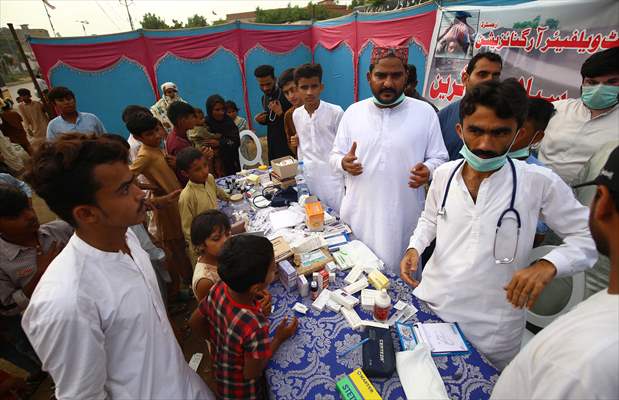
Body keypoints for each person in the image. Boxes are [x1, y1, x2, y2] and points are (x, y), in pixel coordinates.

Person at [400, 79, 597, 369]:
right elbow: (430, 218)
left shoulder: (537, 182)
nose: (485, 145)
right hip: (433, 305)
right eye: (476, 131)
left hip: (491, 329)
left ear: (517, 133)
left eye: (500, 133)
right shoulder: (443, 174)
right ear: (460, 130)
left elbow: (589, 236)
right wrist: (415, 247)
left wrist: (549, 264)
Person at [21, 134, 214, 399]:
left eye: (133, 181)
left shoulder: (127, 236)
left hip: (187, 386)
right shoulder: (66, 301)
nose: (139, 194)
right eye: (124, 189)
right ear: (86, 214)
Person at [492, 146, 619, 399]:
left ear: (601, 201)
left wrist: (550, 263)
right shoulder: (605, 310)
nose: (485, 144)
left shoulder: (582, 362)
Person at [330, 46, 448, 273]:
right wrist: (342, 163)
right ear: (369, 77)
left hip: (402, 216)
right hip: (360, 214)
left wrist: (429, 170)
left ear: (406, 76)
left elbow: (440, 158)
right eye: (381, 76)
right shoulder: (353, 113)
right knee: (359, 277)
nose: (388, 83)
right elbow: (334, 155)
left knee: (401, 281)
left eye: (396, 76)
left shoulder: (425, 113)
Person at [188, 235, 297, 400]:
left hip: (221, 374)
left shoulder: (220, 287)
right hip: (242, 393)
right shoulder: (255, 325)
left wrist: (223, 343)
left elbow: (194, 321)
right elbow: (252, 372)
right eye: (272, 268)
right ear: (256, 287)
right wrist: (278, 338)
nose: (275, 269)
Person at [0, 185, 72, 378]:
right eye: (15, 216)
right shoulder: (3, 262)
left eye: (28, 207)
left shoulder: (61, 230)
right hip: (57, 333)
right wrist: (41, 274)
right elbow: (8, 308)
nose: (30, 216)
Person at [126, 115, 191, 298]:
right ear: (138, 138)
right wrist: (147, 187)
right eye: (150, 134)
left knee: (182, 239)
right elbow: (127, 176)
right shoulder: (145, 155)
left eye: (157, 130)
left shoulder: (157, 149)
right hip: (166, 205)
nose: (156, 135)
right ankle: (187, 280)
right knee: (176, 244)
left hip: (175, 200)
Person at [539, 47, 619, 185]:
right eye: (592, 83)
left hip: (590, 201)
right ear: (583, 83)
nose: (599, 89)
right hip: (536, 192)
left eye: (611, 82)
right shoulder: (557, 108)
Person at [293, 63, 345, 212]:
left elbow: (344, 149)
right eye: (304, 87)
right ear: (297, 89)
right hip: (310, 178)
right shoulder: (296, 115)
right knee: (315, 219)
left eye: (314, 86)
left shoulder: (336, 112)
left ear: (321, 87)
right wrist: (301, 175)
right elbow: (301, 148)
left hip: (334, 180)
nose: (309, 92)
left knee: (340, 219)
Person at [508, 97, 556, 246]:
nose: (508, 135)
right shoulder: (479, 160)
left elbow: (538, 235)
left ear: (537, 137)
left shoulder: (543, 178)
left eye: (520, 131)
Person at [438, 52, 502, 160]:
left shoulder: (507, 118)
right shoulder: (443, 118)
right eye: (482, 74)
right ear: (465, 78)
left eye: (495, 75)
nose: (490, 80)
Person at [177, 147, 230, 264]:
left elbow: (217, 191)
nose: (205, 171)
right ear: (185, 173)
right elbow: (187, 230)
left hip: (216, 232)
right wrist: (201, 249)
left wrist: (229, 198)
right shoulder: (186, 197)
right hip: (204, 246)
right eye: (197, 169)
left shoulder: (209, 178)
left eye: (205, 165)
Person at [254, 65, 294, 162]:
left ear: (275, 79)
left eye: (268, 84)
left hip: (288, 143)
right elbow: (272, 119)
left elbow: (297, 119)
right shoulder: (264, 98)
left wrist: (281, 113)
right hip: (273, 143)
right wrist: (263, 120)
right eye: (261, 85)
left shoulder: (287, 95)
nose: (265, 88)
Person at [190, 210, 231, 302]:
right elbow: (212, 312)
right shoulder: (205, 281)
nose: (225, 241)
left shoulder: (222, 255)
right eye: (216, 239)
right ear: (201, 244)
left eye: (228, 234)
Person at [166, 100, 204, 185]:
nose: (195, 120)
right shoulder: (179, 144)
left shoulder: (175, 135)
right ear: (182, 121)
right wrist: (204, 156)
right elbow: (191, 169)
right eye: (192, 117)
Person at [205, 95, 240, 176]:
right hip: (212, 167)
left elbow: (236, 142)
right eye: (217, 110)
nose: (221, 112)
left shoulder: (229, 123)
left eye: (223, 109)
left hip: (230, 164)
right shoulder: (205, 124)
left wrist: (220, 143)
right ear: (210, 110)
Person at [279, 67, 304, 157]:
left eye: (293, 90)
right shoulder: (289, 115)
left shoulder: (324, 110)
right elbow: (291, 145)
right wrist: (296, 144)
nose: (291, 96)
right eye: (286, 93)